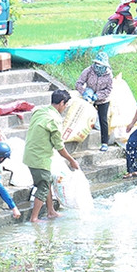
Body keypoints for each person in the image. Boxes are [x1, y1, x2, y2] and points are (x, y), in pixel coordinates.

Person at [23, 89, 80, 223]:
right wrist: (71, 160)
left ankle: (50, 211)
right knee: (43, 186)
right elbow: (59, 147)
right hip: (39, 158)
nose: (65, 108)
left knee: (47, 181)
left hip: (30, 153)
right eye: (65, 105)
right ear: (61, 103)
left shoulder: (40, 111)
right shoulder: (55, 119)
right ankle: (34, 218)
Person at [75, 51, 114, 152]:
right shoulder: (88, 70)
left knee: (103, 120)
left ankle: (104, 142)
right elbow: (79, 83)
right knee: (85, 118)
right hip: (89, 96)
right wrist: (85, 93)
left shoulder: (109, 75)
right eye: (97, 64)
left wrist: (97, 96)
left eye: (101, 65)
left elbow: (108, 90)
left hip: (103, 99)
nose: (98, 67)